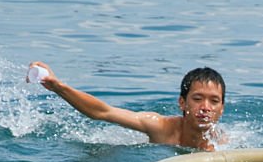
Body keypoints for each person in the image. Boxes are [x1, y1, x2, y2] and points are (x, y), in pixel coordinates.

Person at [28, 63, 225, 151]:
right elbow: (103, 112)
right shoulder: (159, 127)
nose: (205, 107)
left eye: (214, 101)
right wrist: (58, 87)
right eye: (198, 98)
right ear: (182, 102)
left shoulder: (222, 145)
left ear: (222, 109)